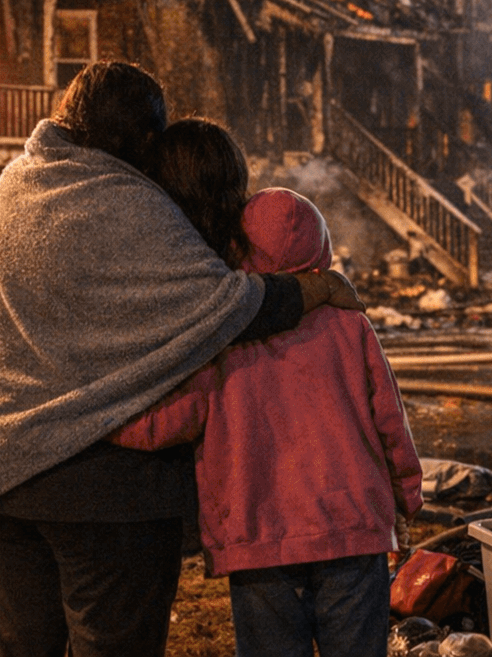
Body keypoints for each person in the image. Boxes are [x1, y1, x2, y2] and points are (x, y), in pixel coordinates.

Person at [0, 63, 364, 657]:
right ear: (140, 139)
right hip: (102, 494)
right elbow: (221, 303)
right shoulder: (127, 201)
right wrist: (314, 289)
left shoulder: (10, 188)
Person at [112, 184, 424, 657]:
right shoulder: (349, 323)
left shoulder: (225, 332)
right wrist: (407, 496)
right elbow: (389, 419)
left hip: (258, 538)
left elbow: (170, 419)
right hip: (353, 529)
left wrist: (100, 422)